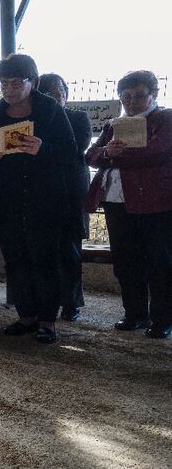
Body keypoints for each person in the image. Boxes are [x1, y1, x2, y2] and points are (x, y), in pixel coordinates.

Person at [0, 54, 75, 344]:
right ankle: (26, 316)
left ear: (32, 81)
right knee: (16, 260)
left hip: (44, 200)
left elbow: (71, 154)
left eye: (15, 83)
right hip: (8, 200)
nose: (8, 89)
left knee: (44, 260)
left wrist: (43, 149)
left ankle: (47, 321)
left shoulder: (50, 110)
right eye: (3, 83)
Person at [85, 70, 172, 339]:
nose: (131, 102)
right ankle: (134, 314)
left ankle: (162, 320)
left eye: (138, 96)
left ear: (153, 95)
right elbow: (91, 155)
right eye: (126, 96)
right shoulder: (114, 123)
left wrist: (112, 157)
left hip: (155, 202)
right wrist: (107, 154)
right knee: (125, 262)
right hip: (115, 201)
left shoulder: (165, 118)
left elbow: (157, 152)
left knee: (160, 263)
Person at [37, 73, 91, 321]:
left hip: (70, 192)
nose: (55, 96)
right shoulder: (35, 120)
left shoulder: (78, 118)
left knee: (70, 250)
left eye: (59, 91)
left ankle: (71, 303)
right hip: (43, 193)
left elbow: (76, 149)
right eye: (48, 92)